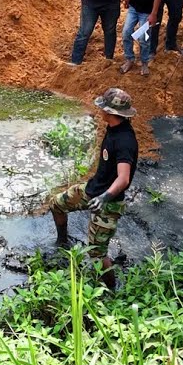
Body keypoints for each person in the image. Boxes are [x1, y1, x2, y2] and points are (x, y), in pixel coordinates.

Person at [50, 87, 139, 290]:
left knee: (97, 253)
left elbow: (124, 178)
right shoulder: (114, 127)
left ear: (111, 112)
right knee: (57, 204)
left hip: (108, 203)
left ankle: (112, 292)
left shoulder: (125, 141)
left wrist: (104, 198)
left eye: (103, 108)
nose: (100, 110)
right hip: (92, 189)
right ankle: (62, 242)